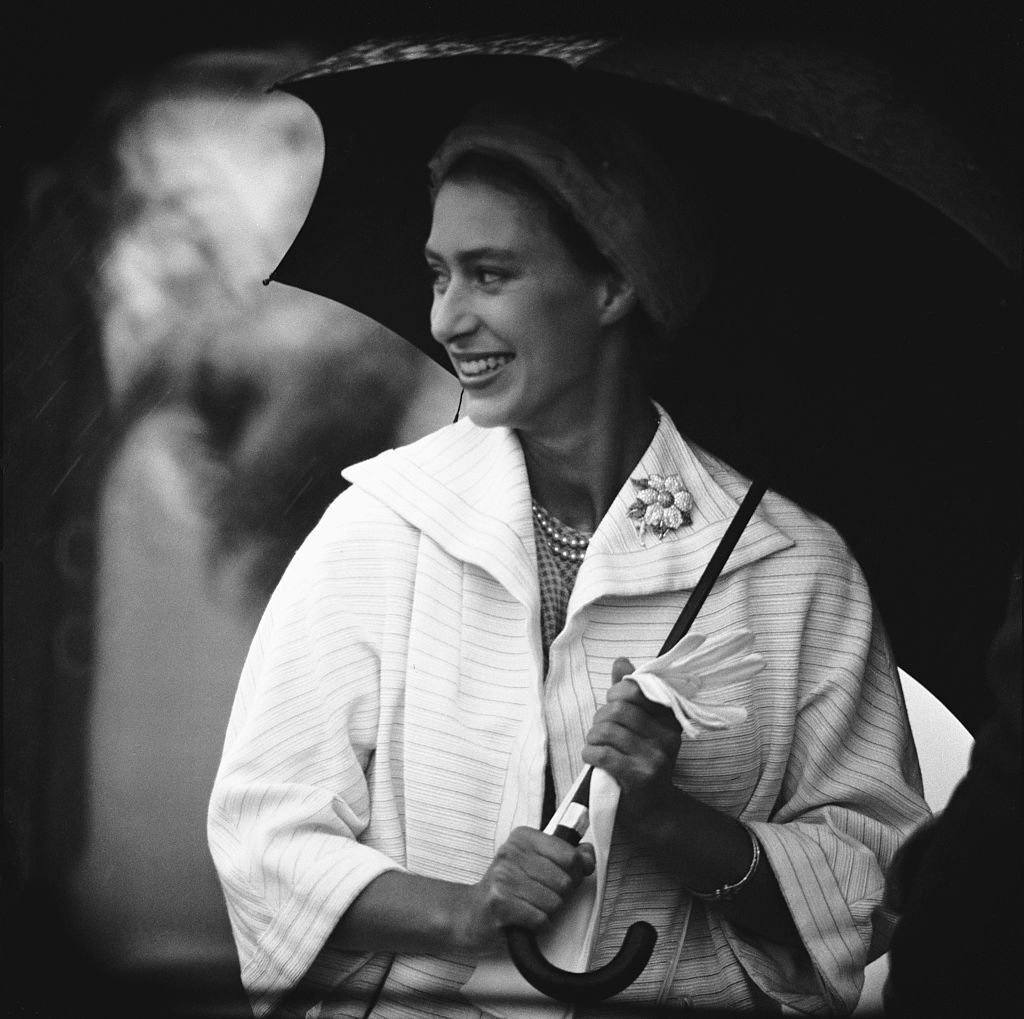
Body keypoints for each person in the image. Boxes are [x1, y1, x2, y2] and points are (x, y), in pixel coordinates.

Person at [207, 92, 930, 1017]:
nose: (447, 320)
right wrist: (459, 912)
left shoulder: (791, 568)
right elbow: (263, 837)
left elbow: (873, 878)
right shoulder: (384, 529)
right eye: (438, 275)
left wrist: (677, 826)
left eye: (490, 274)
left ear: (613, 286)